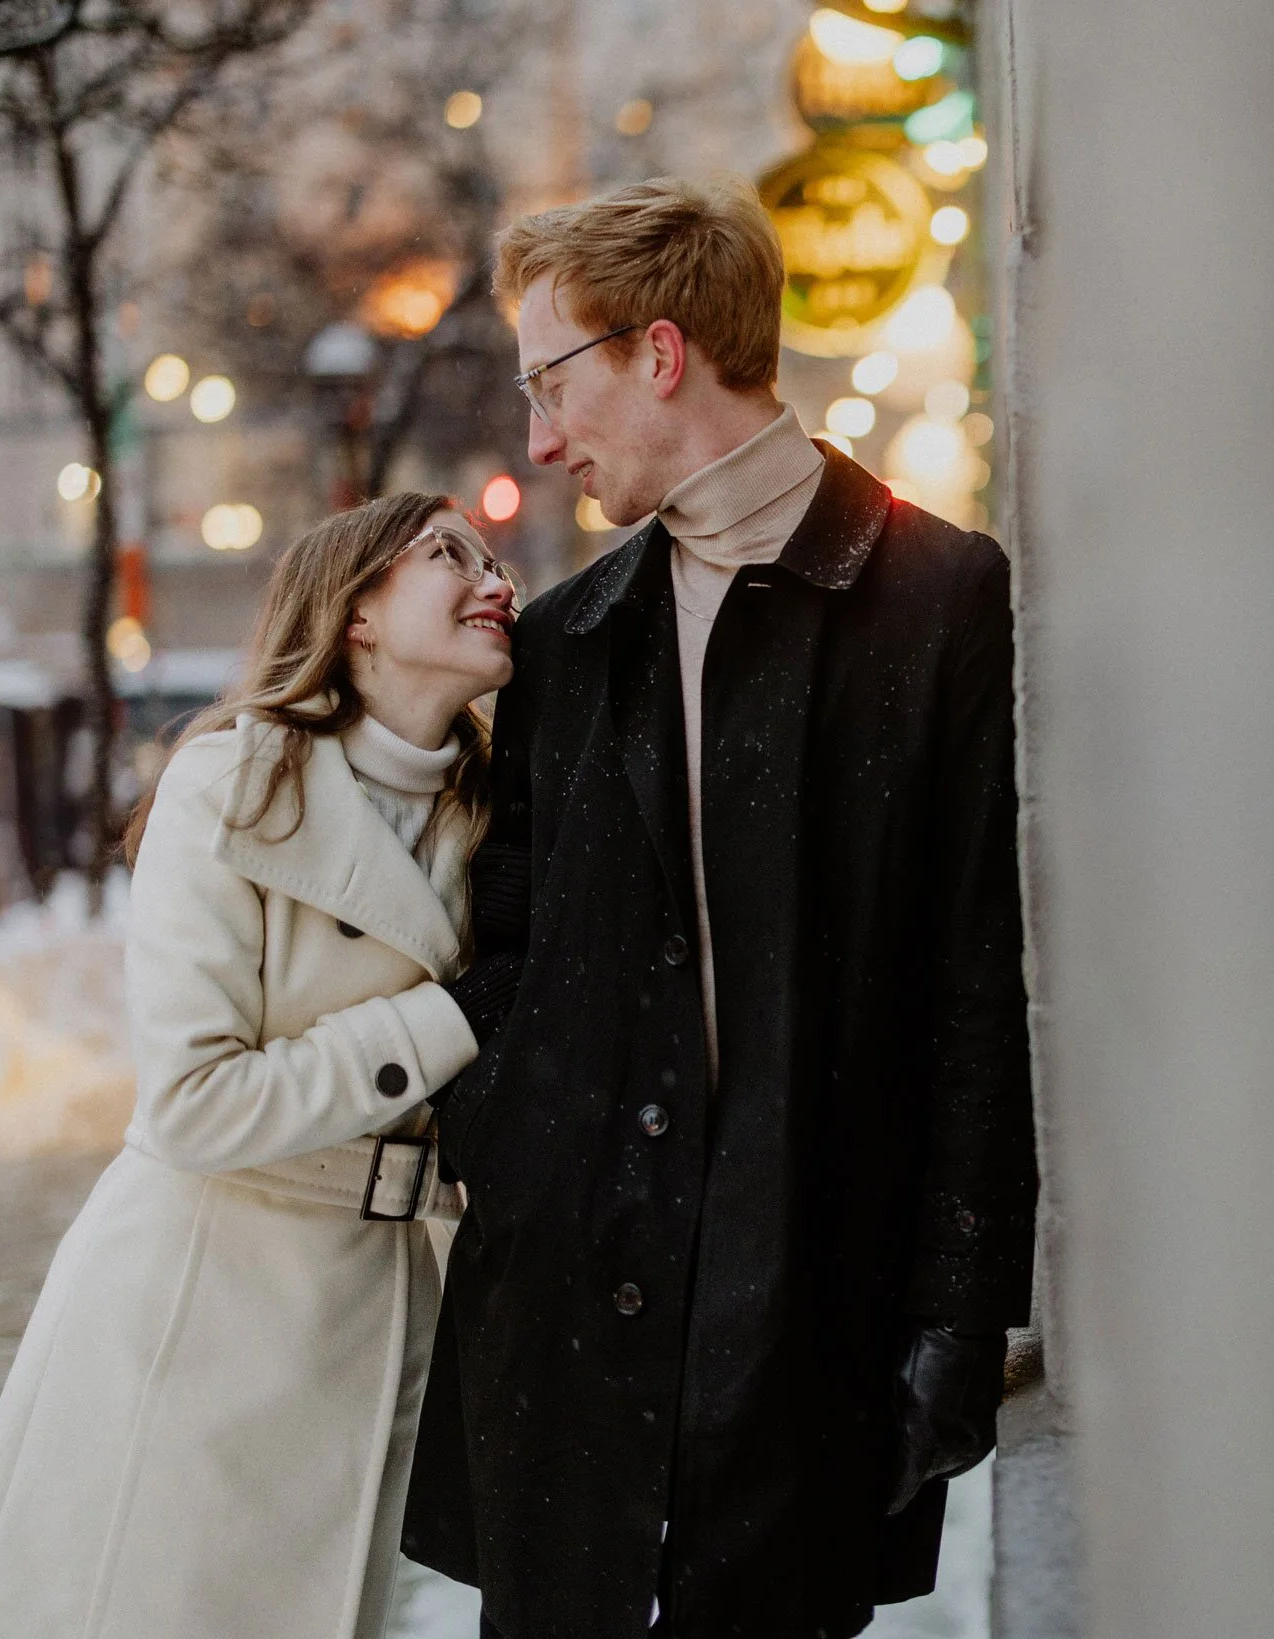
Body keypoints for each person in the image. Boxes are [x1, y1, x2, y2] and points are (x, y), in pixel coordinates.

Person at [400, 175, 1038, 1638]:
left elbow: (975, 974)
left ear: (659, 351)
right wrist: (502, 1129)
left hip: (807, 1307)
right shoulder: (567, 642)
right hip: (567, 1306)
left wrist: (955, 1305)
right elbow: (507, 942)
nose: (542, 436)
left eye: (550, 381)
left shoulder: (940, 597)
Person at [0, 495, 521, 1639]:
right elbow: (195, 1101)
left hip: (377, 1298)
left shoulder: (493, 819)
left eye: (494, 559)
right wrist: (443, 1019)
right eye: (449, 553)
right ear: (354, 611)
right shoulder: (234, 786)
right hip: (195, 1302)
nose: (493, 578)